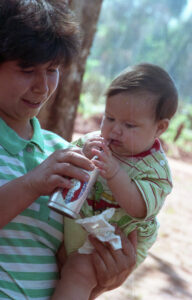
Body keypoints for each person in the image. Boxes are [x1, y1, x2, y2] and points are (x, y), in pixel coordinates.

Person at [0, 1, 137, 299]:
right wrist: (31, 184)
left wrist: (103, 274)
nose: (42, 86)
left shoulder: (66, 155)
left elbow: (62, 264)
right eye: (26, 69)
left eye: (52, 69)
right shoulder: (53, 167)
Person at [64, 63, 178, 267]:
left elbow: (138, 208)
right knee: (59, 262)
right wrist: (82, 154)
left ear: (160, 127)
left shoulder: (155, 170)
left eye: (129, 125)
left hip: (116, 240)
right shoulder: (94, 141)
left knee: (78, 274)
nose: (115, 130)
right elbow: (65, 165)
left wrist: (115, 173)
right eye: (109, 118)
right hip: (82, 221)